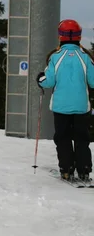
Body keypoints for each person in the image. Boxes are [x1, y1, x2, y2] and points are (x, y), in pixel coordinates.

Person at [37, 19, 94, 181]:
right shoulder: (85, 57)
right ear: (79, 36)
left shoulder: (55, 57)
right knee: (82, 138)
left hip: (61, 107)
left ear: (60, 36)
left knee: (63, 137)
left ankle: (66, 168)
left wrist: (39, 79)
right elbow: (93, 81)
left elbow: (48, 81)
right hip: (82, 107)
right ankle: (84, 169)